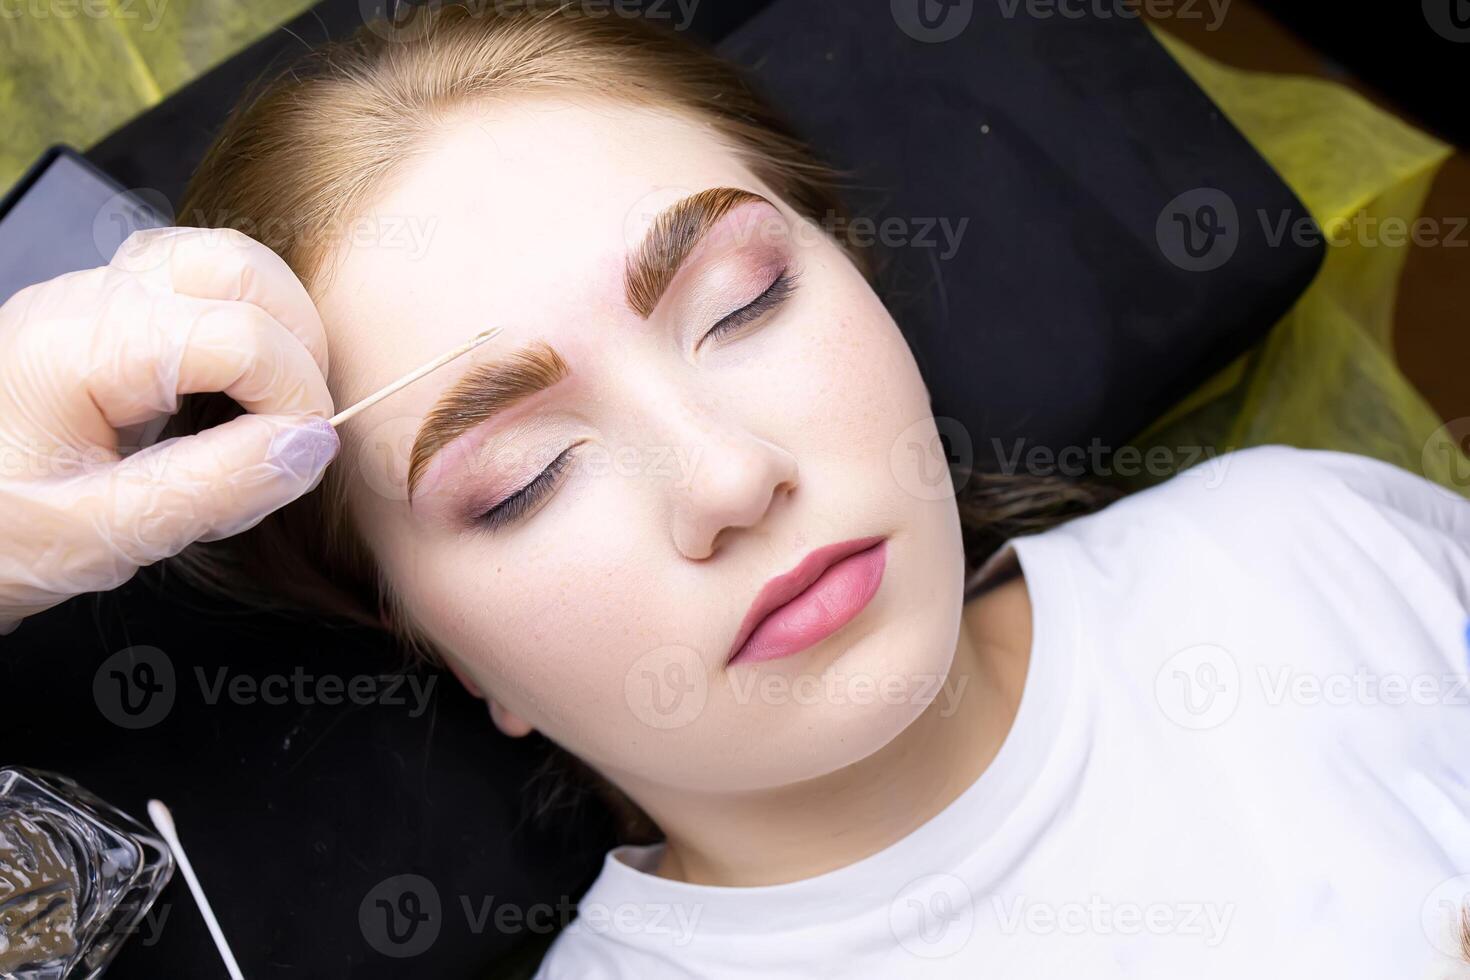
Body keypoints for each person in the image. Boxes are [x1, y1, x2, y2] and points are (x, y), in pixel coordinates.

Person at [2, 4, 1468, 977]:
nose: (727, 477)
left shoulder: (1312, 553)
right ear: (435, 641)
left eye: (745, 303)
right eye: (520, 483)